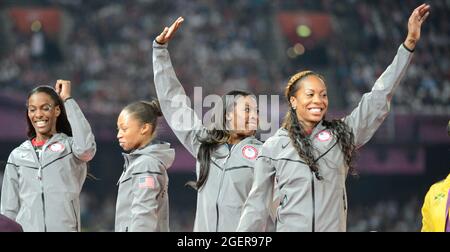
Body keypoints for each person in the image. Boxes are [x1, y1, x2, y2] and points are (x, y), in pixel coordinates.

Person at [237, 4, 430, 232]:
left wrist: (407, 46)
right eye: (310, 94)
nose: (318, 100)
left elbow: (377, 98)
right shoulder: (272, 148)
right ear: (293, 101)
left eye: (323, 95)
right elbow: (255, 208)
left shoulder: (340, 136)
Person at [153, 17, 276, 232]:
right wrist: (160, 51)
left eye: (256, 111)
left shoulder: (265, 155)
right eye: (247, 109)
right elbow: (174, 103)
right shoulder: (205, 147)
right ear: (228, 115)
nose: (255, 116)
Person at [0, 80, 96, 231]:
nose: (38, 114)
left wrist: (67, 100)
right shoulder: (17, 156)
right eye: (32, 109)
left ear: (57, 111)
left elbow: (87, 149)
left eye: (45, 108)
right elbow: (8, 209)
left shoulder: (70, 147)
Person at [115, 100, 175, 232]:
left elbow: (144, 213)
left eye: (124, 129)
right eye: (118, 129)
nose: (119, 134)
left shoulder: (146, 164)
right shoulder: (142, 162)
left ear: (144, 128)